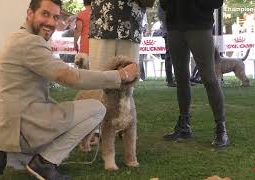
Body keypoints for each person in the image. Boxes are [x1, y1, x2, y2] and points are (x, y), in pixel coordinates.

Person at [0, 0, 139, 180]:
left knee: (61, 119)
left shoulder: (16, 38)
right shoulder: (30, 43)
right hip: (21, 126)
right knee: (97, 109)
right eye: (45, 14)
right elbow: (69, 76)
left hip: (3, 128)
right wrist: (119, 76)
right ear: (30, 13)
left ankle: (3, 156)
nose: (51, 22)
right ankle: (44, 164)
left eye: (55, 17)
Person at [160, 0, 228, 147]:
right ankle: (184, 125)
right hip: (174, 27)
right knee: (181, 78)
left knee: (209, 78)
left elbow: (217, 3)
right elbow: (164, 4)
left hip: (200, 26)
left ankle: (220, 128)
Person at [88, 0, 145, 166]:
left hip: (131, 23)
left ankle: (125, 123)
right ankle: (99, 128)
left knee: (130, 80)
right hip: (102, 21)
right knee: (100, 79)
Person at [157, 1, 176, 87]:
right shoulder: (163, 2)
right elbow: (161, 16)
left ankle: (183, 79)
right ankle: (170, 80)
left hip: (180, 31)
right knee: (169, 56)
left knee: (182, 56)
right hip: (169, 31)